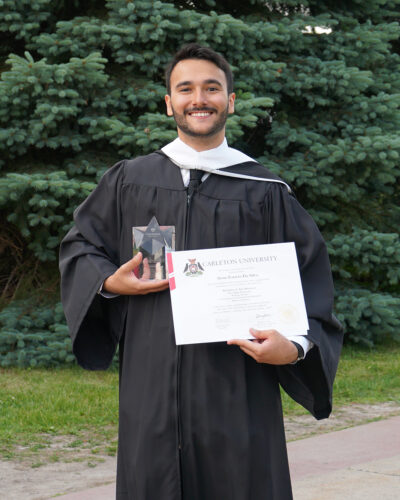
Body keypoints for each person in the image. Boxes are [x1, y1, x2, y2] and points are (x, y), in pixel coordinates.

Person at [59, 44, 343, 500]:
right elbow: (80, 246)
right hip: (150, 390)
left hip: (238, 390)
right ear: (168, 102)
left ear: (230, 100)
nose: (199, 99)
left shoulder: (264, 191)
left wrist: (293, 348)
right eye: (185, 88)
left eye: (212, 88)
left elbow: (310, 280)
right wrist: (110, 281)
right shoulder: (130, 180)